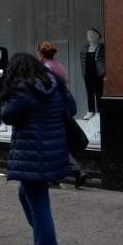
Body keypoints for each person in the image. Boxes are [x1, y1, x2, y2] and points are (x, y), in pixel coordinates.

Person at [1, 52, 75, 245]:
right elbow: (72, 109)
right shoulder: (55, 84)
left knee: (40, 206)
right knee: (24, 194)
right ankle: (42, 242)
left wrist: (7, 93)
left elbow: (6, 115)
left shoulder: (23, 89)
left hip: (32, 155)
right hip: (51, 152)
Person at [37, 41, 88, 189]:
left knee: (50, 144)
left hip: (51, 109)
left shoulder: (44, 68)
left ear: (40, 53)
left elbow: (45, 91)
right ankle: (76, 171)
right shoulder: (58, 66)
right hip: (61, 108)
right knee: (58, 143)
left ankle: (56, 177)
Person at [79, 28, 105, 120]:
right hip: (88, 74)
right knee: (89, 93)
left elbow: (104, 61)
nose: (89, 36)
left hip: (98, 74)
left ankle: (99, 111)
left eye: (92, 34)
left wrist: (103, 71)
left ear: (97, 36)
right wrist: (84, 73)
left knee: (99, 93)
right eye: (88, 35)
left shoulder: (102, 48)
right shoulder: (84, 49)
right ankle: (91, 111)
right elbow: (83, 63)